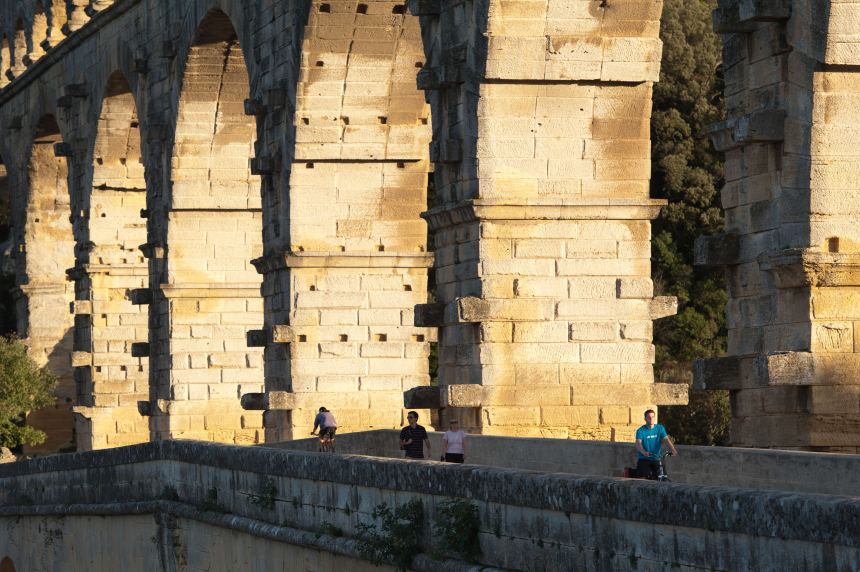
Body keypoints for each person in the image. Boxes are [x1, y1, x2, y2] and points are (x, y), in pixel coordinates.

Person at [635, 409, 677, 479]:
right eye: (648, 417)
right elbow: (638, 443)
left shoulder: (660, 428)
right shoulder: (641, 430)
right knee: (642, 480)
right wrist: (643, 452)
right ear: (645, 419)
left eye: (652, 417)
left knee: (663, 477)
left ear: (654, 418)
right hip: (644, 458)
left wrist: (673, 449)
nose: (651, 419)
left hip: (656, 458)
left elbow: (666, 439)